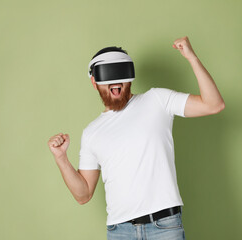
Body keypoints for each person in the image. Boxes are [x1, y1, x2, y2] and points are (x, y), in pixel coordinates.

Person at [47, 36, 225, 240]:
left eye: (120, 74)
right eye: (108, 75)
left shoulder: (157, 100)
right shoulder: (92, 133)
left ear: (130, 76)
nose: (115, 82)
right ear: (94, 82)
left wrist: (192, 58)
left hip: (164, 227)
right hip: (120, 232)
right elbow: (83, 194)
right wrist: (61, 158)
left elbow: (213, 104)